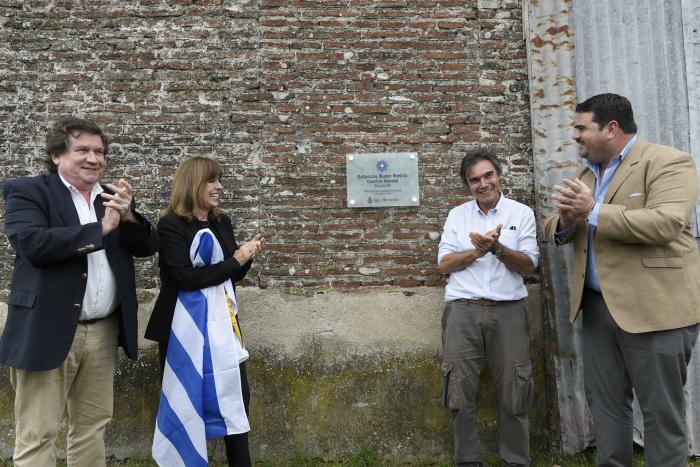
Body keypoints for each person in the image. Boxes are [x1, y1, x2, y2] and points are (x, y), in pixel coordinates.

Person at [544, 93, 700, 467]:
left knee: (661, 414)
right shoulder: (584, 174)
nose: (576, 136)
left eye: (582, 128)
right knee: (607, 407)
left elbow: (666, 223)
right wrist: (565, 221)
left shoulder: (668, 163)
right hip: (598, 311)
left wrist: (593, 209)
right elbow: (554, 224)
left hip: (656, 310)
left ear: (611, 128)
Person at [0, 116, 158, 466]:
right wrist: (98, 229)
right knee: (38, 433)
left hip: (102, 330)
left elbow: (147, 246)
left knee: (92, 427)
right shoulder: (28, 191)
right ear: (57, 155)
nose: (93, 158)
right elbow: (32, 244)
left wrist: (129, 216)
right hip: (48, 328)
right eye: (82, 149)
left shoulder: (109, 197)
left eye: (99, 151)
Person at [145, 156, 265, 466]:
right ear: (194, 183)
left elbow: (231, 275)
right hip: (182, 332)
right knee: (186, 403)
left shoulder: (221, 222)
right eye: (212, 180)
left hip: (223, 329)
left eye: (219, 180)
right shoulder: (170, 225)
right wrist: (235, 260)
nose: (219, 186)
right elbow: (184, 278)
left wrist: (246, 256)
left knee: (236, 400)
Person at [437, 150, 539, 467]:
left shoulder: (521, 214)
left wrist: (496, 247)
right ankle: (468, 461)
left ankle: (516, 461)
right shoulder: (457, 216)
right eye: (475, 180)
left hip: (509, 310)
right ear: (468, 185)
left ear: (498, 175)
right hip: (462, 311)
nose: (483, 184)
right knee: (459, 392)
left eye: (488, 175)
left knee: (515, 391)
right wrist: (477, 251)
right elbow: (444, 264)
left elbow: (529, 265)